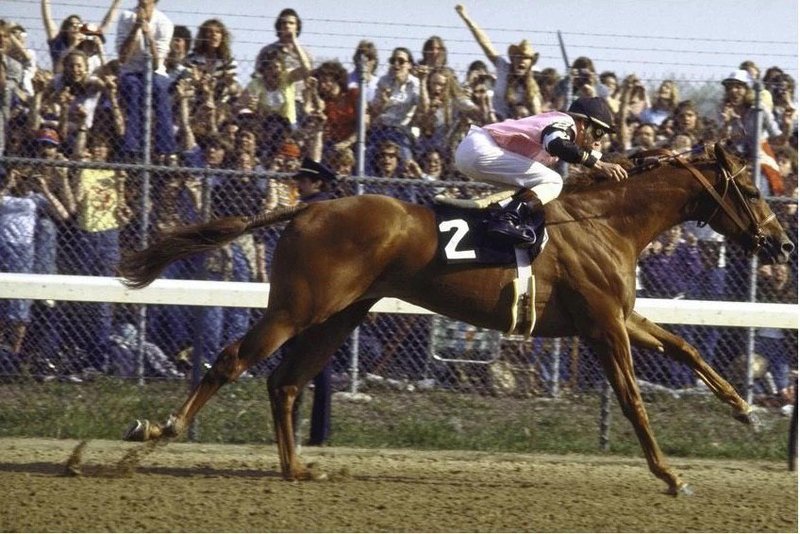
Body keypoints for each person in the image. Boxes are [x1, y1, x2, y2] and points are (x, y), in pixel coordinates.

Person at [453, 96, 627, 244]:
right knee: (553, 180)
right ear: (582, 123)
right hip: (480, 149)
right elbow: (556, 143)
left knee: (530, 188)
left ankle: (496, 216)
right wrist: (597, 164)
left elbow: (580, 152)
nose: (599, 142)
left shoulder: (565, 130)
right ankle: (506, 220)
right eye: (598, 132)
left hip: (474, 151)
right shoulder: (566, 122)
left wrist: (605, 162)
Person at [290, 158, 338, 445]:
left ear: (317, 183)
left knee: (298, 367)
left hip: (309, 297)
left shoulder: (314, 210)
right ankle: (318, 434)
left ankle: (294, 430)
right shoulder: (326, 208)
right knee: (319, 368)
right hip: (322, 297)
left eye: (303, 180)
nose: (298, 184)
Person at [115, 0, 177, 160]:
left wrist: (148, 35)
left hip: (155, 72)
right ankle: (132, 148)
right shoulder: (126, 16)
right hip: (131, 71)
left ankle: (166, 149)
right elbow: (123, 58)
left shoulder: (164, 23)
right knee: (134, 88)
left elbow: (158, 63)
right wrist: (135, 28)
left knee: (159, 87)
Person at [455, 4, 542, 120]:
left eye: (525, 58)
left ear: (531, 63)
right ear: (513, 59)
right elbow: (485, 43)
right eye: (518, 56)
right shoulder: (503, 68)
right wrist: (466, 18)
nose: (521, 60)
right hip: (494, 120)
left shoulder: (532, 86)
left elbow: (537, 114)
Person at [40, 0, 121, 73]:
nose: (76, 26)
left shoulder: (86, 44)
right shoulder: (59, 43)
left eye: (79, 24)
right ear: (65, 29)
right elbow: (47, 19)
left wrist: (116, 3)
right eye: (71, 24)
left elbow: (106, 24)